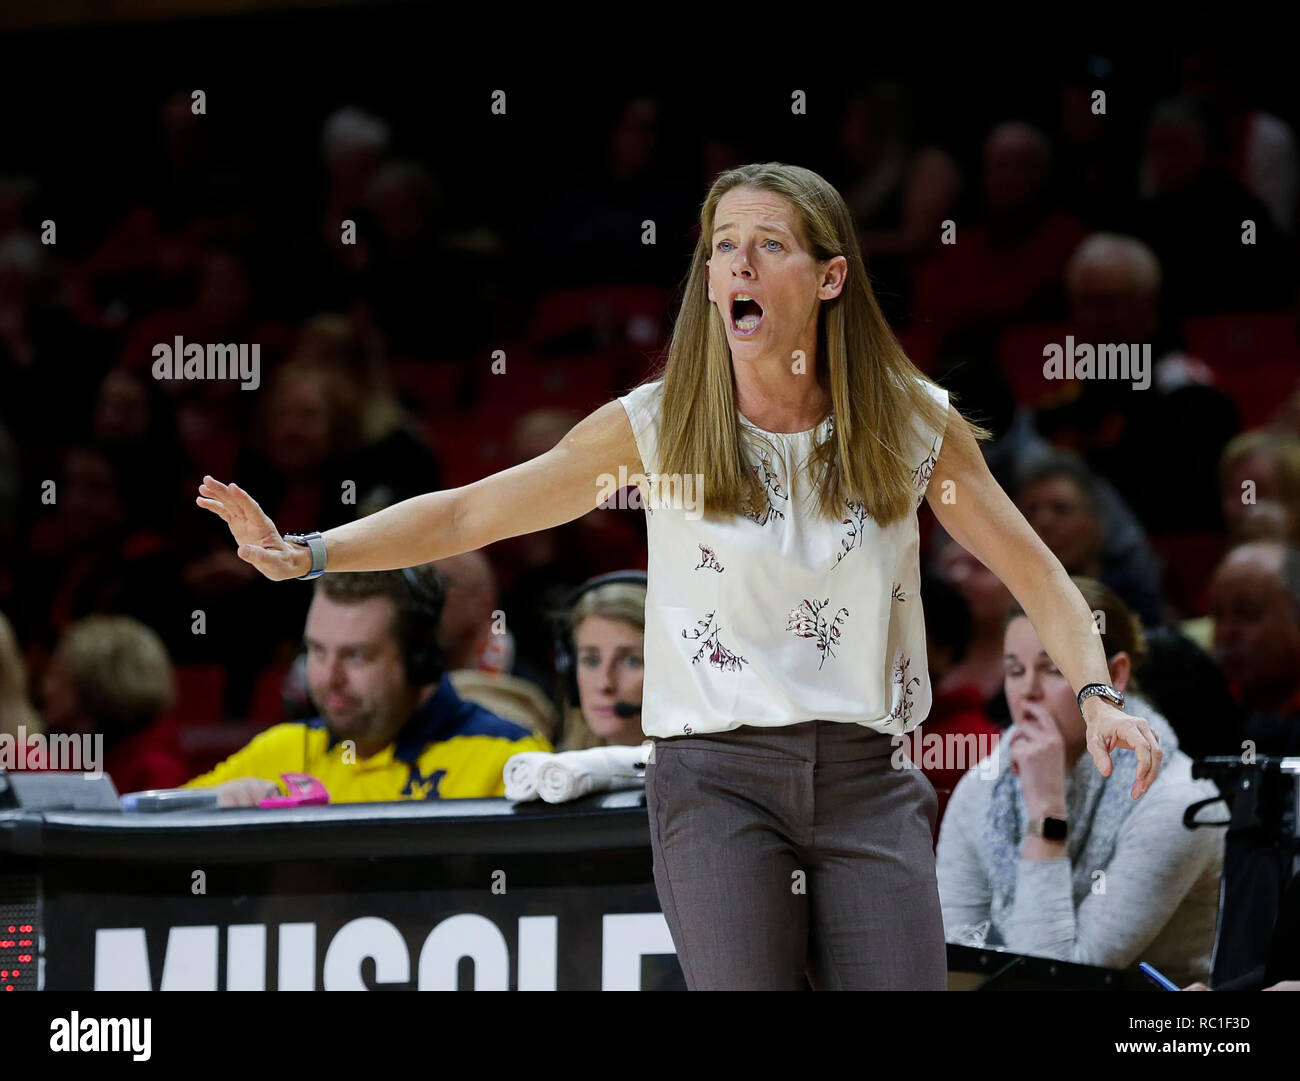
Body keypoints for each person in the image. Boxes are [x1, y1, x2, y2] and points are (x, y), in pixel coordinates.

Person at [196, 162, 1163, 991]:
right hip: (718, 781)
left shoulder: (912, 422)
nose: (735, 263)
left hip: (871, 776)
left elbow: (1039, 573)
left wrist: (1096, 694)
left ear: (831, 277)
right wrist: (312, 550)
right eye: (722, 244)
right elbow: (468, 510)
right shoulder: (655, 425)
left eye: (768, 245)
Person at [935, 577, 1222, 986]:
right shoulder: (984, 782)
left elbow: (1058, 976)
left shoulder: (1178, 803)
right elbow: (953, 954)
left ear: (1116, 675)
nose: (1027, 692)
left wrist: (1047, 816)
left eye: (1053, 669)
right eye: (1015, 671)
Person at [181, 564, 551, 806]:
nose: (329, 678)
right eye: (317, 651)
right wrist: (216, 807)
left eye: (356, 656)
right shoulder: (282, 751)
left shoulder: (509, 760)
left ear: (419, 657)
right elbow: (139, 828)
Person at [38, 615, 189, 794]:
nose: (46, 688)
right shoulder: (66, 758)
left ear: (93, 684)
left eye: (57, 674)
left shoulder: (156, 775)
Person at [551, 571, 647, 751]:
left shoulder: (701, 776)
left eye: (631, 661)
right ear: (569, 670)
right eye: (591, 661)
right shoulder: (551, 772)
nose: (605, 683)